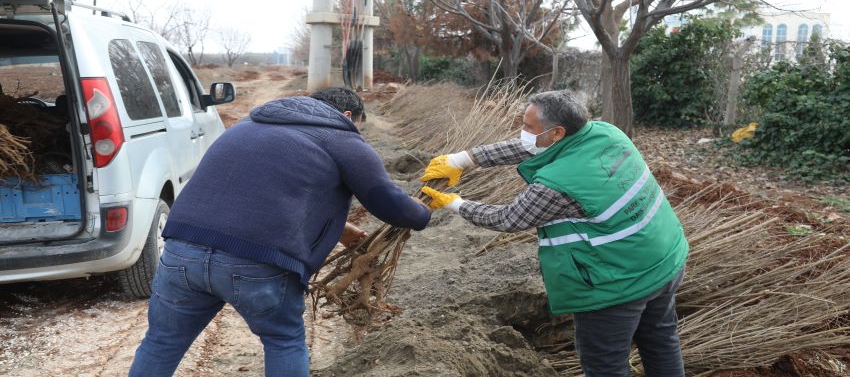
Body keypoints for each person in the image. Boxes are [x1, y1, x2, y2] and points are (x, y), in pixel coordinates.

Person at [129, 87, 431, 377]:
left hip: (183, 251)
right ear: (349, 115)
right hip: (256, 263)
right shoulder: (342, 138)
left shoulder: (247, 126)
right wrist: (426, 210)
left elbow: (259, 192)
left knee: (161, 342)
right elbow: (391, 205)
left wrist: (340, 228)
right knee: (283, 342)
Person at [420, 90, 688, 377]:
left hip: (619, 284)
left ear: (557, 132)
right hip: (665, 258)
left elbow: (509, 218)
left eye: (527, 127)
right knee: (660, 340)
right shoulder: (605, 134)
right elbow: (533, 147)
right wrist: (464, 159)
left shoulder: (557, 184)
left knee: (606, 367)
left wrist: (456, 204)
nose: (521, 132)